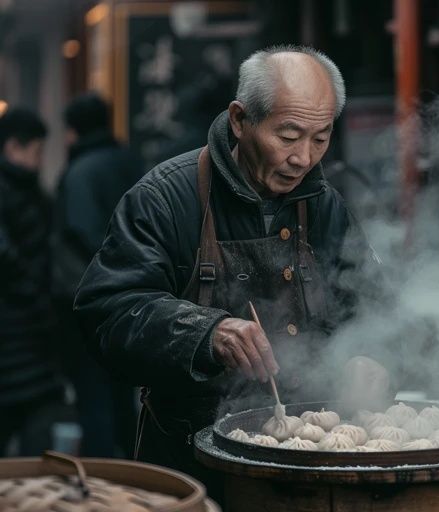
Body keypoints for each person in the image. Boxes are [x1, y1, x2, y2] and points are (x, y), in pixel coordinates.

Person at [74, 46, 388, 496]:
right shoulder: (166, 199)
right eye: (289, 135)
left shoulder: (322, 204)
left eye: (321, 138)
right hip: (192, 463)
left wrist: (370, 353)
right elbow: (106, 311)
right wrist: (206, 332)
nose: (304, 158)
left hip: (310, 456)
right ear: (240, 120)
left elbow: (371, 301)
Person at [52, 93, 142, 457]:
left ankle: (102, 479)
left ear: (73, 131)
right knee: (123, 391)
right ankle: (135, 471)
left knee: (93, 395)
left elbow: (81, 233)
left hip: (90, 299)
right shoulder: (132, 162)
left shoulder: (80, 172)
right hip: (135, 295)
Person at [0, 108, 67, 455]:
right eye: (37, 151)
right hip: (15, 331)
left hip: (31, 338)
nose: (41, 159)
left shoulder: (29, 191)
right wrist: (34, 289)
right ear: (13, 147)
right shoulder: (18, 192)